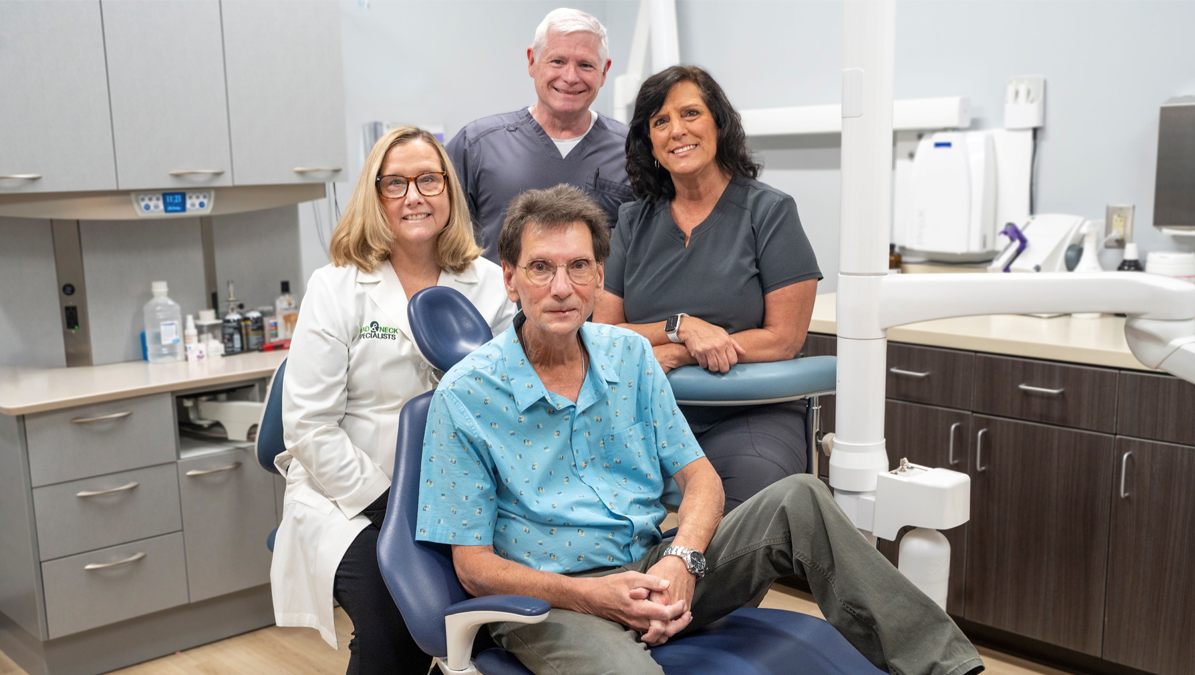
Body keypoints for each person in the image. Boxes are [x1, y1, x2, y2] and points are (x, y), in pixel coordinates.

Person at [415, 185, 983, 675]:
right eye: (541, 268)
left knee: (801, 500)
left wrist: (680, 559)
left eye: (579, 267)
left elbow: (702, 480)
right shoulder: (465, 396)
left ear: (599, 276)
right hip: (555, 599)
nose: (562, 287)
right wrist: (597, 596)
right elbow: (474, 567)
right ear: (510, 279)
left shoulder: (632, 356)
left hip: (653, 568)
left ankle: (946, 667)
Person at [274, 126, 516, 674]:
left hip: (465, 500)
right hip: (355, 502)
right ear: (375, 197)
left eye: (429, 180)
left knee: (500, 624)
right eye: (396, 183)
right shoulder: (336, 287)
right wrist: (390, 507)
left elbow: (508, 401)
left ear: (449, 192)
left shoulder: (490, 284)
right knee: (395, 624)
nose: (414, 195)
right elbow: (309, 426)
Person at [593, 65, 822, 512]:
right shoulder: (631, 222)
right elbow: (605, 332)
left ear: (719, 123)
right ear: (650, 142)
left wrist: (681, 351)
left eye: (691, 113)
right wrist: (681, 327)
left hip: (749, 412)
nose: (677, 130)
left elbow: (784, 338)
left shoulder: (769, 212)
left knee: (744, 513)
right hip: (645, 413)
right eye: (660, 122)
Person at [445, 7, 634, 261]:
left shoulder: (632, 151)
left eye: (585, 65)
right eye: (557, 61)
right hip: (498, 301)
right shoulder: (477, 145)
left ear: (604, 72)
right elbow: (438, 237)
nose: (570, 77)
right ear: (532, 62)